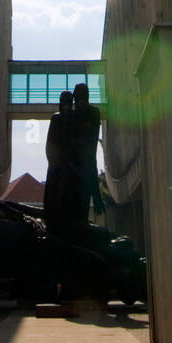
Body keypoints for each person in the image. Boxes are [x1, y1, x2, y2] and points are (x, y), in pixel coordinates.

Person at [68, 82, 103, 231]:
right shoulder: (93, 114)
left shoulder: (71, 116)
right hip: (83, 174)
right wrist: (96, 195)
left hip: (71, 175)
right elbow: (90, 156)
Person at [43, 90, 73, 236]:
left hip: (59, 169)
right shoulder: (66, 119)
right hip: (64, 169)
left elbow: (49, 146)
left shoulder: (57, 118)